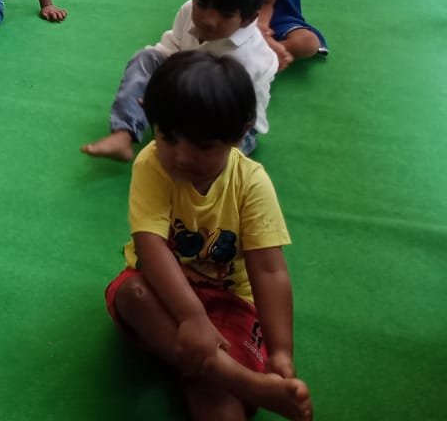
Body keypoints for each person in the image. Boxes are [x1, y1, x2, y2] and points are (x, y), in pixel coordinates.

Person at [103, 51, 313, 421]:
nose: (182, 157)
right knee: (131, 294)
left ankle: (216, 374)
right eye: (168, 137)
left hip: (231, 301)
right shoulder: (151, 163)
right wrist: (192, 317)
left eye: (202, 145)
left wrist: (281, 351)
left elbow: (269, 270)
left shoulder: (251, 182)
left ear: (240, 133)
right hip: (163, 289)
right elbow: (150, 247)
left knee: (214, 400)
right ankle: (242, 381)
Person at [82, 0, 278, 162]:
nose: (208, 20)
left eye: (225, 14)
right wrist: (159, 92)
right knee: (147, 57)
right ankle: (123, 133)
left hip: (228, 122)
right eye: (201, 4)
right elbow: (170, 49)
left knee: (207, 161)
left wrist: (165, 106)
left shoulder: (246, 59)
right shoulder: (187, 11)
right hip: (184, 86)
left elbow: (220, 108)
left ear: (248, 19)